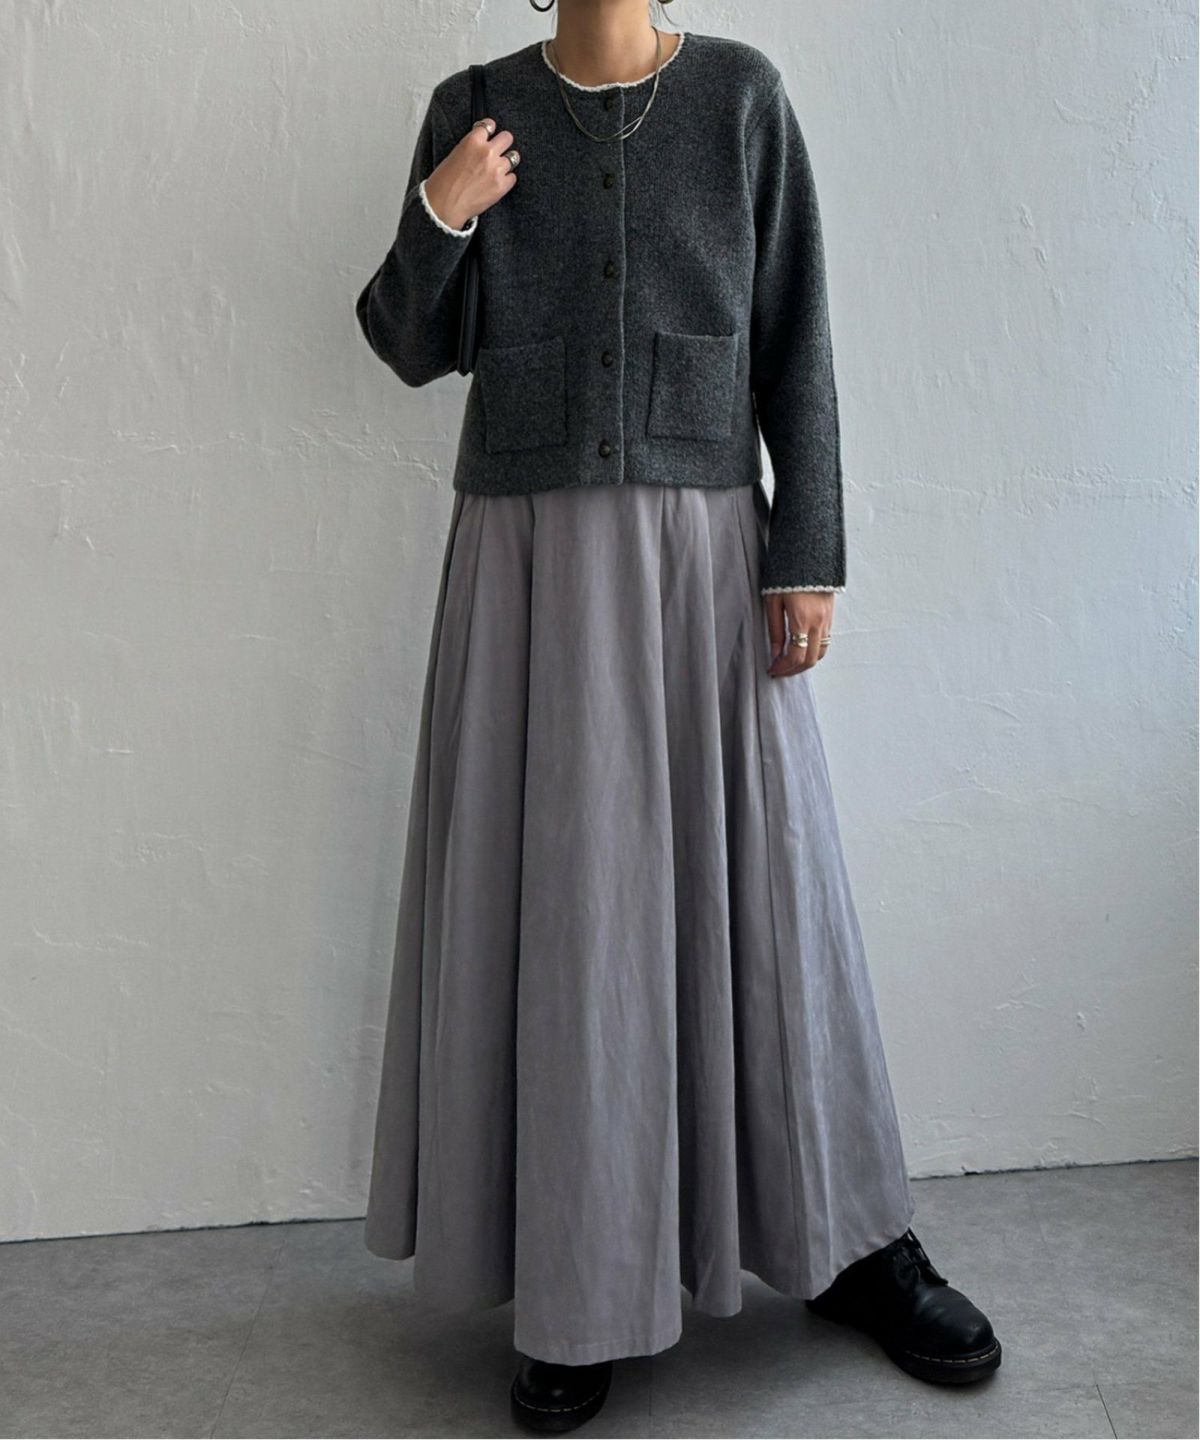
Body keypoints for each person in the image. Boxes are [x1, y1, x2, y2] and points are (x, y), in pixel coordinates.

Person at [353, 2, 1001, 1431]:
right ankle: (579, 1277)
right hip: (529, 561)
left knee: (770, 894)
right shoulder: (473, 103)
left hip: (708, 551)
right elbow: (406, 341)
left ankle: (851, 1241)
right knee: (567, 908)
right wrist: (443, 209)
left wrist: (806, 549)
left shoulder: (740, 98)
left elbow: (795, 332)